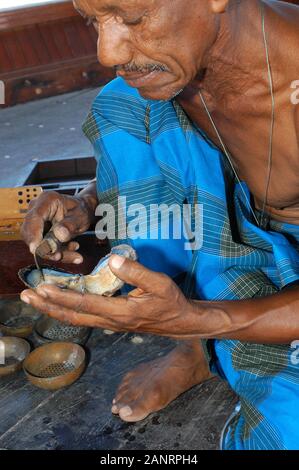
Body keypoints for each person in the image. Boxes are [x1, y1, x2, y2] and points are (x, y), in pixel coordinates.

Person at [20, 0, 299, 450]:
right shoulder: (171, 76)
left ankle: (201, 332)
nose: (106, 52)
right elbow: (184, 156)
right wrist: (88, 202)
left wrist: (197, 318)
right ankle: (195, 350)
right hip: (228, 236)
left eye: (131, 18)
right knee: (125, 104)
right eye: (93, 20)